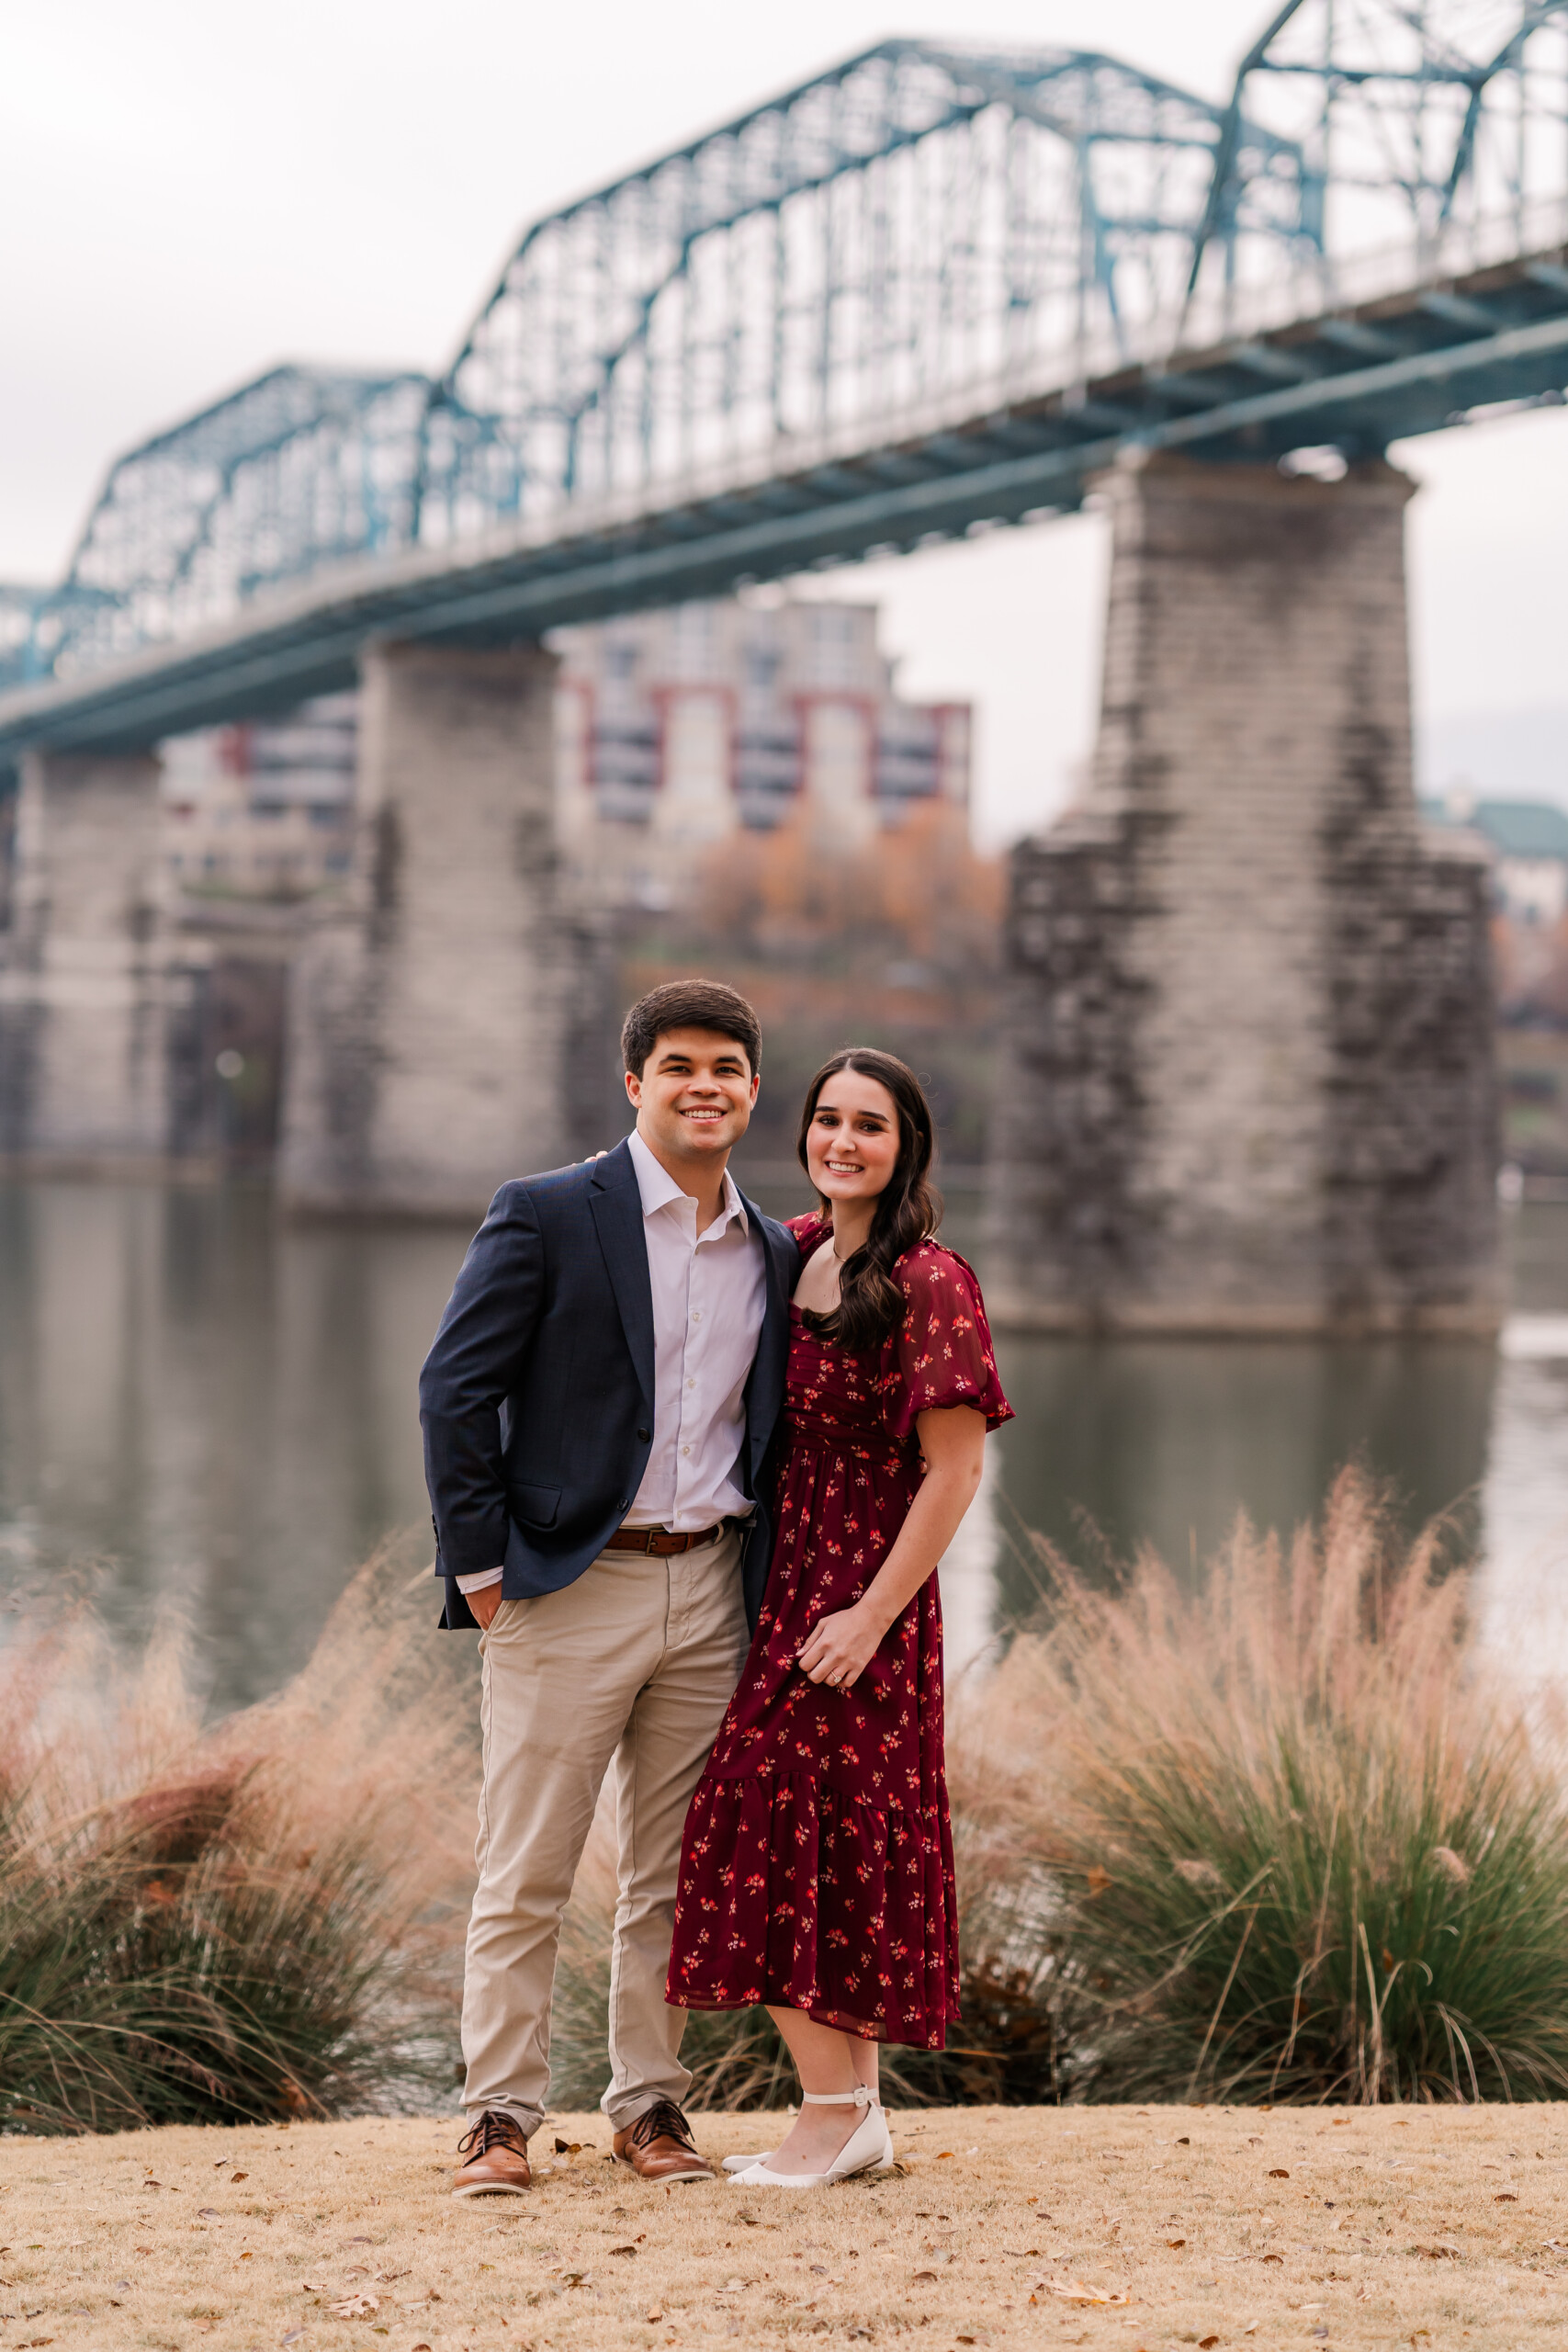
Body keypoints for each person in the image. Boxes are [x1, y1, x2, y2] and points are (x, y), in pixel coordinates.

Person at [419, 979, 799, 2197]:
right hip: (566, 1590)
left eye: (727, 1068)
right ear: (633, 1084)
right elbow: (452, 1391)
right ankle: (496, 2117)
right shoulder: (545, 1213)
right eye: (679, 1065)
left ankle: (648, 2107)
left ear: (751, 1090)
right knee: (525, 1864)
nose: (705, 1086)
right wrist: (483, 1574)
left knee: (674, 1875)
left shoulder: (775, 1249)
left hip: (710, 1593)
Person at [666, 1047, 1013, 2186]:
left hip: (870, 1596)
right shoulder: (801, 1251)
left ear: (907, 1145)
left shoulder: (930, 1280)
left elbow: (954, 1474)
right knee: (820, 1846)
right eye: (827, 1119)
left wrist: (867, 1617)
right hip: (785, 1579)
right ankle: (851, 2110)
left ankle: (831, 2110)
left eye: (870, 1124)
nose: (843, 1141)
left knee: (749, 1817)